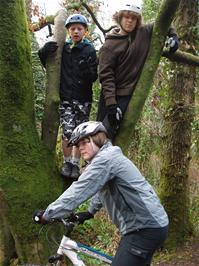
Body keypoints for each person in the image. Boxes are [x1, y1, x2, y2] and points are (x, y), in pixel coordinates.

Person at [33, 121, 169, 266]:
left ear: (96, 139)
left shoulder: (105, 160)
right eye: (78, 145)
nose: (80, 148)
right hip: (151, 224)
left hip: (143, 229)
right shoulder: (109, 157)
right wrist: (90, 212)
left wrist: (48, 214)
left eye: (84, 143)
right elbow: (103, 187)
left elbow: (79, 190)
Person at [97, 1, 179, 140]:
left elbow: (164, 22)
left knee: (116, 135)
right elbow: (106, 75)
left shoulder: (144, 33)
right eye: (126, 17)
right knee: (100, 135)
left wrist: (173, 37)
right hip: (110, 96)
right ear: (120, 18)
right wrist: (111, 104)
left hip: (129, 95)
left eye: (133, 18)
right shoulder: (110, 45)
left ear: (137, 20)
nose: (129, 21)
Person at [38, 14, 98, 180]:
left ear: (85, 31)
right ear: (68, 31)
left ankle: (75, 163)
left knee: (80, 133)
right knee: (68, 132)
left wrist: (86, 68)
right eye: (73, 29)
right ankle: (67, 162)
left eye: (79, 28)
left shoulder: (89, 49)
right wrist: (44, 52)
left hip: (83, 98)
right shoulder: (63, 48)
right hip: (66, 97)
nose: (76, 31)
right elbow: (50, 65)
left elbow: (93, 76)